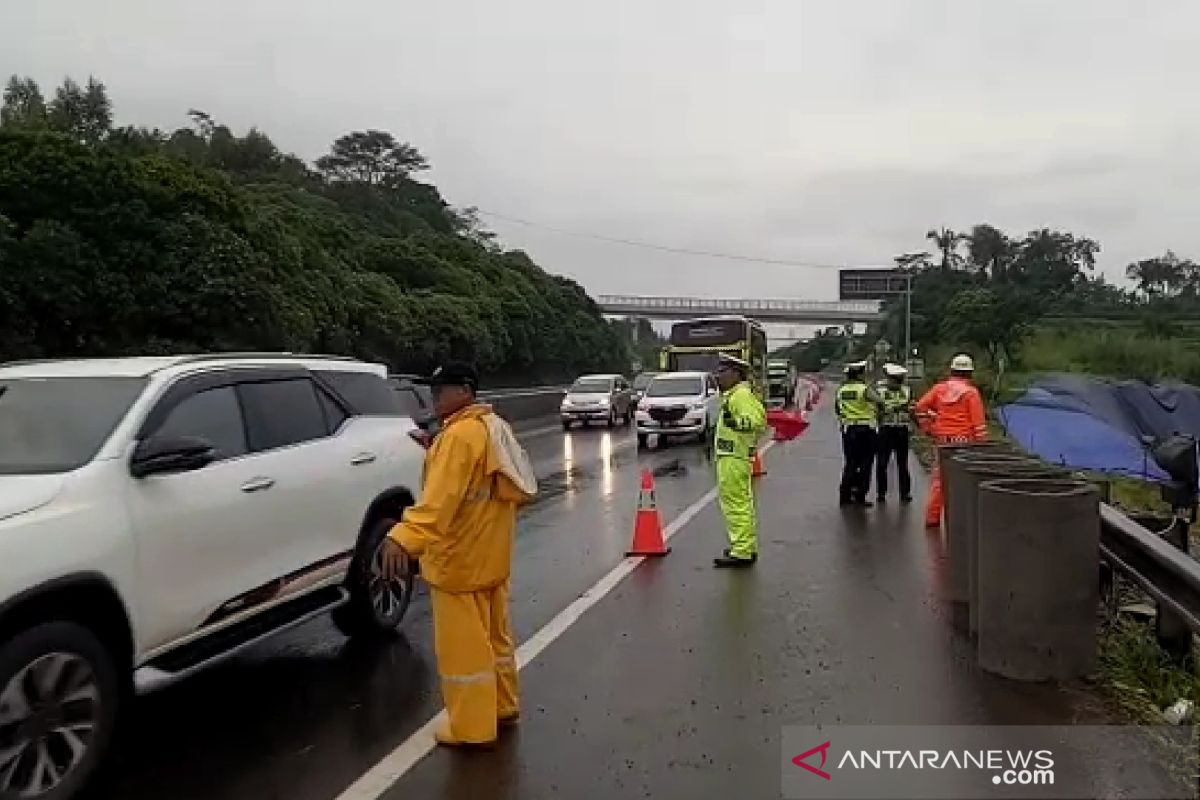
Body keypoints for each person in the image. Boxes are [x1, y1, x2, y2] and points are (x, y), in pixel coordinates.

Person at [381, 362, 534, 747]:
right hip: (490, 557)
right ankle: (502, 706)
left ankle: (471, 728)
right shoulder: (492, 427)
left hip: (459, 561)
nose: (434, 398)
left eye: (442, 390)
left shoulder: (459, 438)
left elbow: (438, 504)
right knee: (495, 640)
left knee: (464, 651)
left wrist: (403, 537)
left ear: (465, 390)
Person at [914, 353, 987, 528]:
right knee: (963, 481)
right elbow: (978, 424)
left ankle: (932, 518)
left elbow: (920, 408)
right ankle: (958, 521)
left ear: (952, 370)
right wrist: (983, 446)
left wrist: (928, 428)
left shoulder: (939, 389)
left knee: (940, 480)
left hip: (942, 441)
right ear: (969, 373)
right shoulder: (971, 393)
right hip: (964, 443)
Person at [712, 354, 767, 568]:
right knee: (738, 502)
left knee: (736, 504)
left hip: (734, 456)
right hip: (732, 455)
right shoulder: (733, 394)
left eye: (723, 372)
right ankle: (744, 546)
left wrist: (735, 422)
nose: (718, 376)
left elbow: (756, 421)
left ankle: (742, 551)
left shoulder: (741, 395)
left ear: (736, 373)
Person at [836, 361, 878, 507]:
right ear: (860, 374)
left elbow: (837, 409)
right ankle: (860, 495)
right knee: (866, 463)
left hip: (848, 430)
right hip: (865, 430)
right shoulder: (864, 389)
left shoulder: (841, 390)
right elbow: (880, 402)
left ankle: (845, 495)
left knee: (851, 463)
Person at [874, 362, 913, 504]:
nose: (897, 381)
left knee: (902, 463)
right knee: (882, 463)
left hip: (902, 428)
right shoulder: (880, 391)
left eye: (899, 379)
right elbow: (876, 409)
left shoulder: (907, 390)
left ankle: (905, 493)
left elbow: (910, 406)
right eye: (894, 378)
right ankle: (881, 493)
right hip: (886, 428)